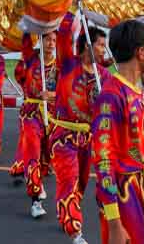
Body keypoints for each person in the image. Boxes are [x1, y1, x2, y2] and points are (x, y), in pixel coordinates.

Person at [92, 20, 144, 244]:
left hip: (143, 188)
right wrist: (114, 224)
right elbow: (103, 162)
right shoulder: (111, 96)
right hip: (124, 195)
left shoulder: (136, 91)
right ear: (140, 52)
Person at [51, 18, 112, 244]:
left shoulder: (104, 76)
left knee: (82, 183)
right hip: (64, 136)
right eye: (100, 45)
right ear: (88, 45)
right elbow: (65, 33)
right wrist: (73, 6)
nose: (103, 49)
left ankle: (67, 210)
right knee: (68, 179)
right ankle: (74, 230)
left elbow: (108, 110)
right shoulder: (68, 63)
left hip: (88, 139)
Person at [17, 30, 58, 219]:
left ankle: (39, 173)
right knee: (32, 152)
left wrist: (51, 95)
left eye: (54, 40)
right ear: (40, 40)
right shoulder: (31, 58)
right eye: (48, 39)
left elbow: (65, 92)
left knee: (47, 157)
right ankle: (35, 200)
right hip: (31, 114)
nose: (51, 43)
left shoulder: (60, 66)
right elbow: (25, 39)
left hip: (52, 116)